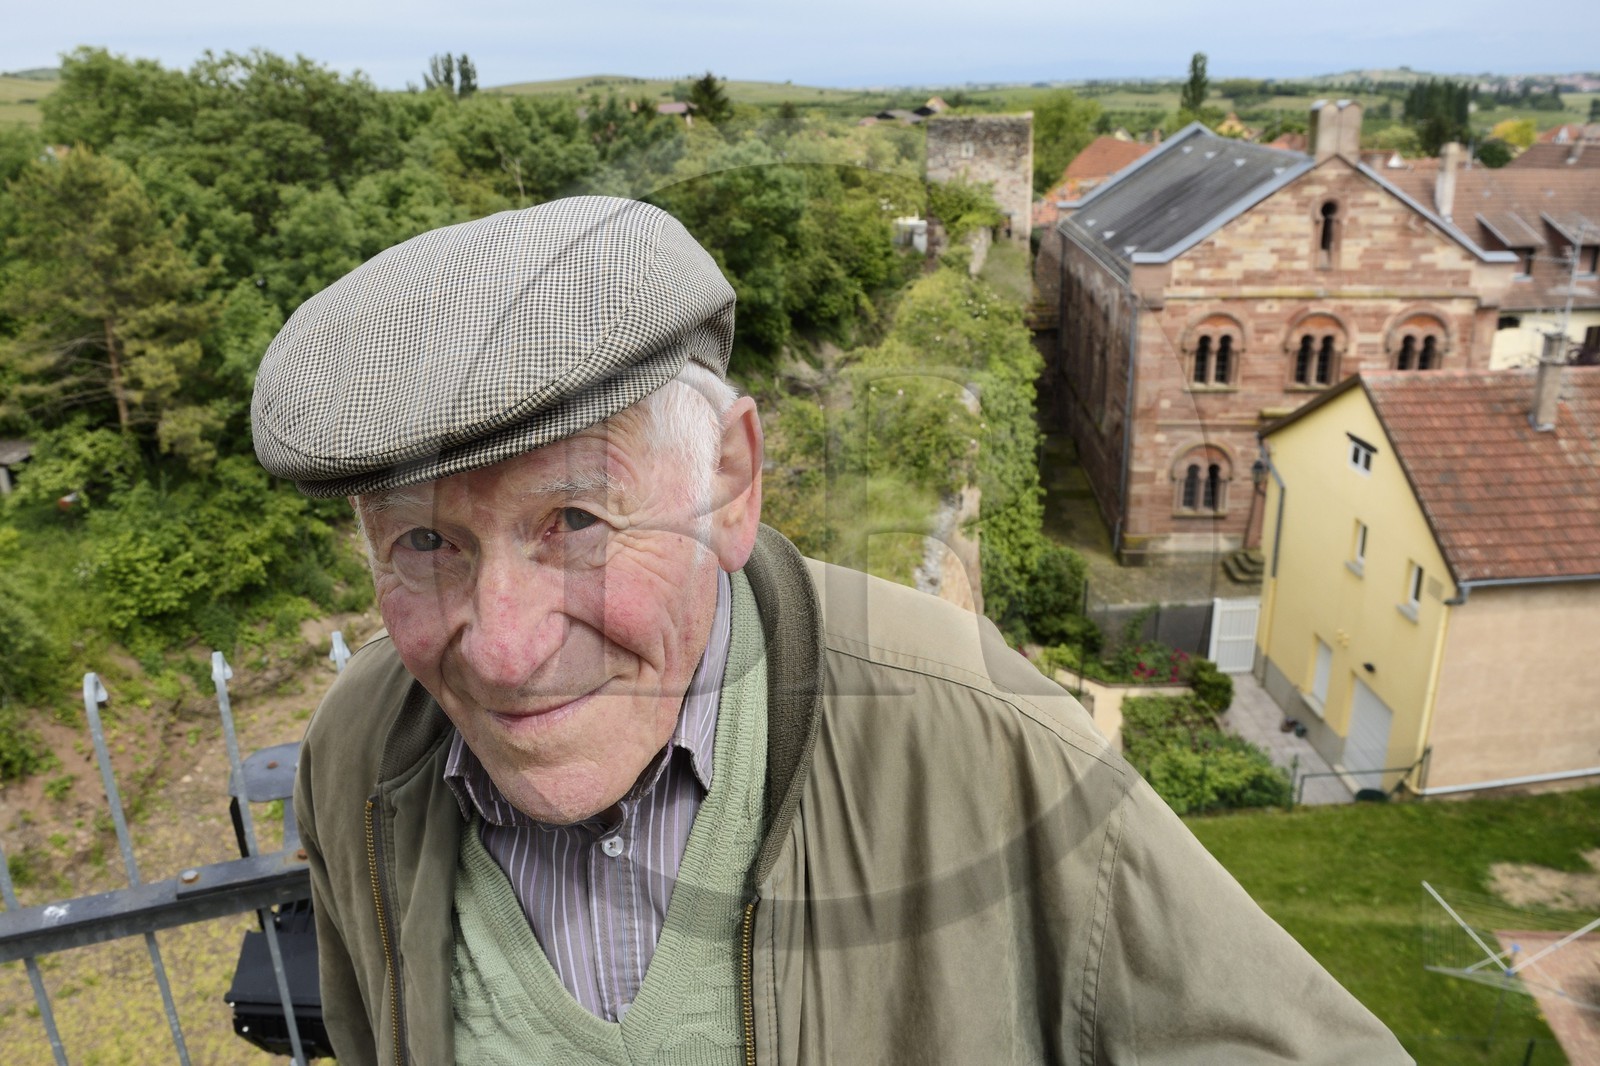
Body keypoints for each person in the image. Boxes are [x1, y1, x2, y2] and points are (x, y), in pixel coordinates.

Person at [254, 195, 1410, 1064]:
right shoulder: (358, 756)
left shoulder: (979, 737)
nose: (502, 649)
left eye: (574, 520)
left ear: (730, 480)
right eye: (424, 544)